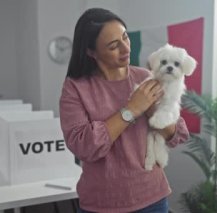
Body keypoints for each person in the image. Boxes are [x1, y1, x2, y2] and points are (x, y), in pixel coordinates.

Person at [59, 8, 189, 213]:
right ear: (91, 51)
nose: (125, 48)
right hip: (101, 203)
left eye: (125, 37)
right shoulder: (75, 88)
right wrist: (131, 110)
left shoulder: (147, 77)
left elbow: (177, 135)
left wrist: (154, 111)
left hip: (152, 198)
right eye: (113, 45)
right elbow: (83, 146)